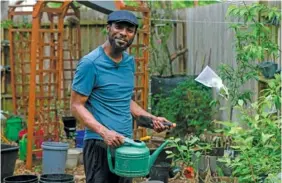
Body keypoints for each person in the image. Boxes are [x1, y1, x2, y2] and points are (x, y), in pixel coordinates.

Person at [70, 10, 170, 183]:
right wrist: (104, 132)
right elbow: (76, 105)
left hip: (126, 145)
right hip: (100, 144)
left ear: (134, 35)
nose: (124, 33)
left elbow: (125, 100)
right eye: (119, 27)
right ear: (108, 28)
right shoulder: (90, 63)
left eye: (130, 30)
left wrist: (151, 119)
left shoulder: (128, 62)